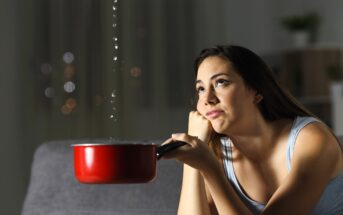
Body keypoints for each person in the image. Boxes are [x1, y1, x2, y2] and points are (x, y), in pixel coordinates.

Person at [162, 45, 343, 215]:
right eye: (200, 88)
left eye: (221, 82)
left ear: (257, 91)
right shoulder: (215, 152)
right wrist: (193, 156)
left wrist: (210, 169)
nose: (207, 99)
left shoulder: (312, 139)